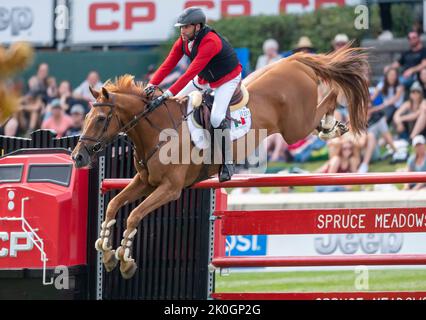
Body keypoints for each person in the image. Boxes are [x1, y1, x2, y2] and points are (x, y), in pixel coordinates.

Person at [145, 7, 243, 182]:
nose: (182, 31)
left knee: (216, 117)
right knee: (175, 103)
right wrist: (152, 84)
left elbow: (189, 73)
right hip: (205, 78)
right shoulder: (183, 41)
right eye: (181, 27)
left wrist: (166, 93)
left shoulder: (211, 41)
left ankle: (228, 161)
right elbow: (167, 65)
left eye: (186, 27)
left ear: (198, 27)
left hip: (227, 79)